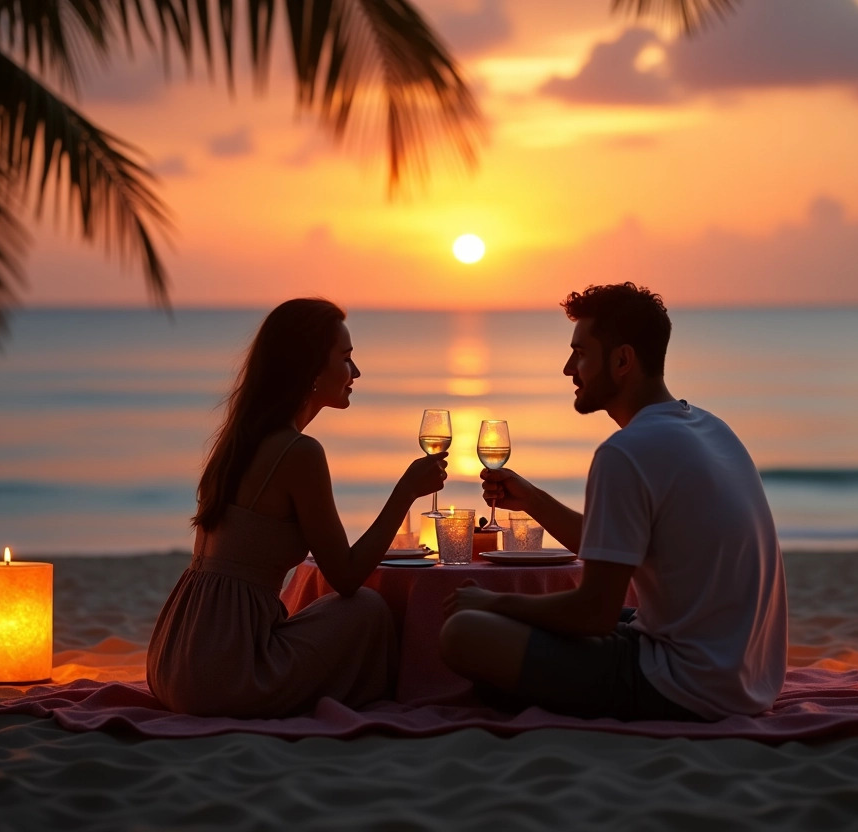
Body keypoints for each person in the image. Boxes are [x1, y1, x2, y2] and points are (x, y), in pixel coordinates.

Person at [441, 283, 788, 721]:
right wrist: (533, 501)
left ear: (622, 360)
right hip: (748, 678)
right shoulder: (710, 428)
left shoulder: (625, 451)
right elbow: (616, 540)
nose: (569, 368)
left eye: (581, 353)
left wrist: (494, 602)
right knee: (545, 615)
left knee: (464, 632)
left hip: (685, 686)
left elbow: (594, 614)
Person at [147, 298, 448, 717]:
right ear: (310, 367)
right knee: (368, 608)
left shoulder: (238, 441)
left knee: (326, 608)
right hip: (224, 673)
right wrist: (404, 492)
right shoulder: (298, 451)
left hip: (172, 659)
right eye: (346, 359)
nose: (355, 373)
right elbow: (344, 576)